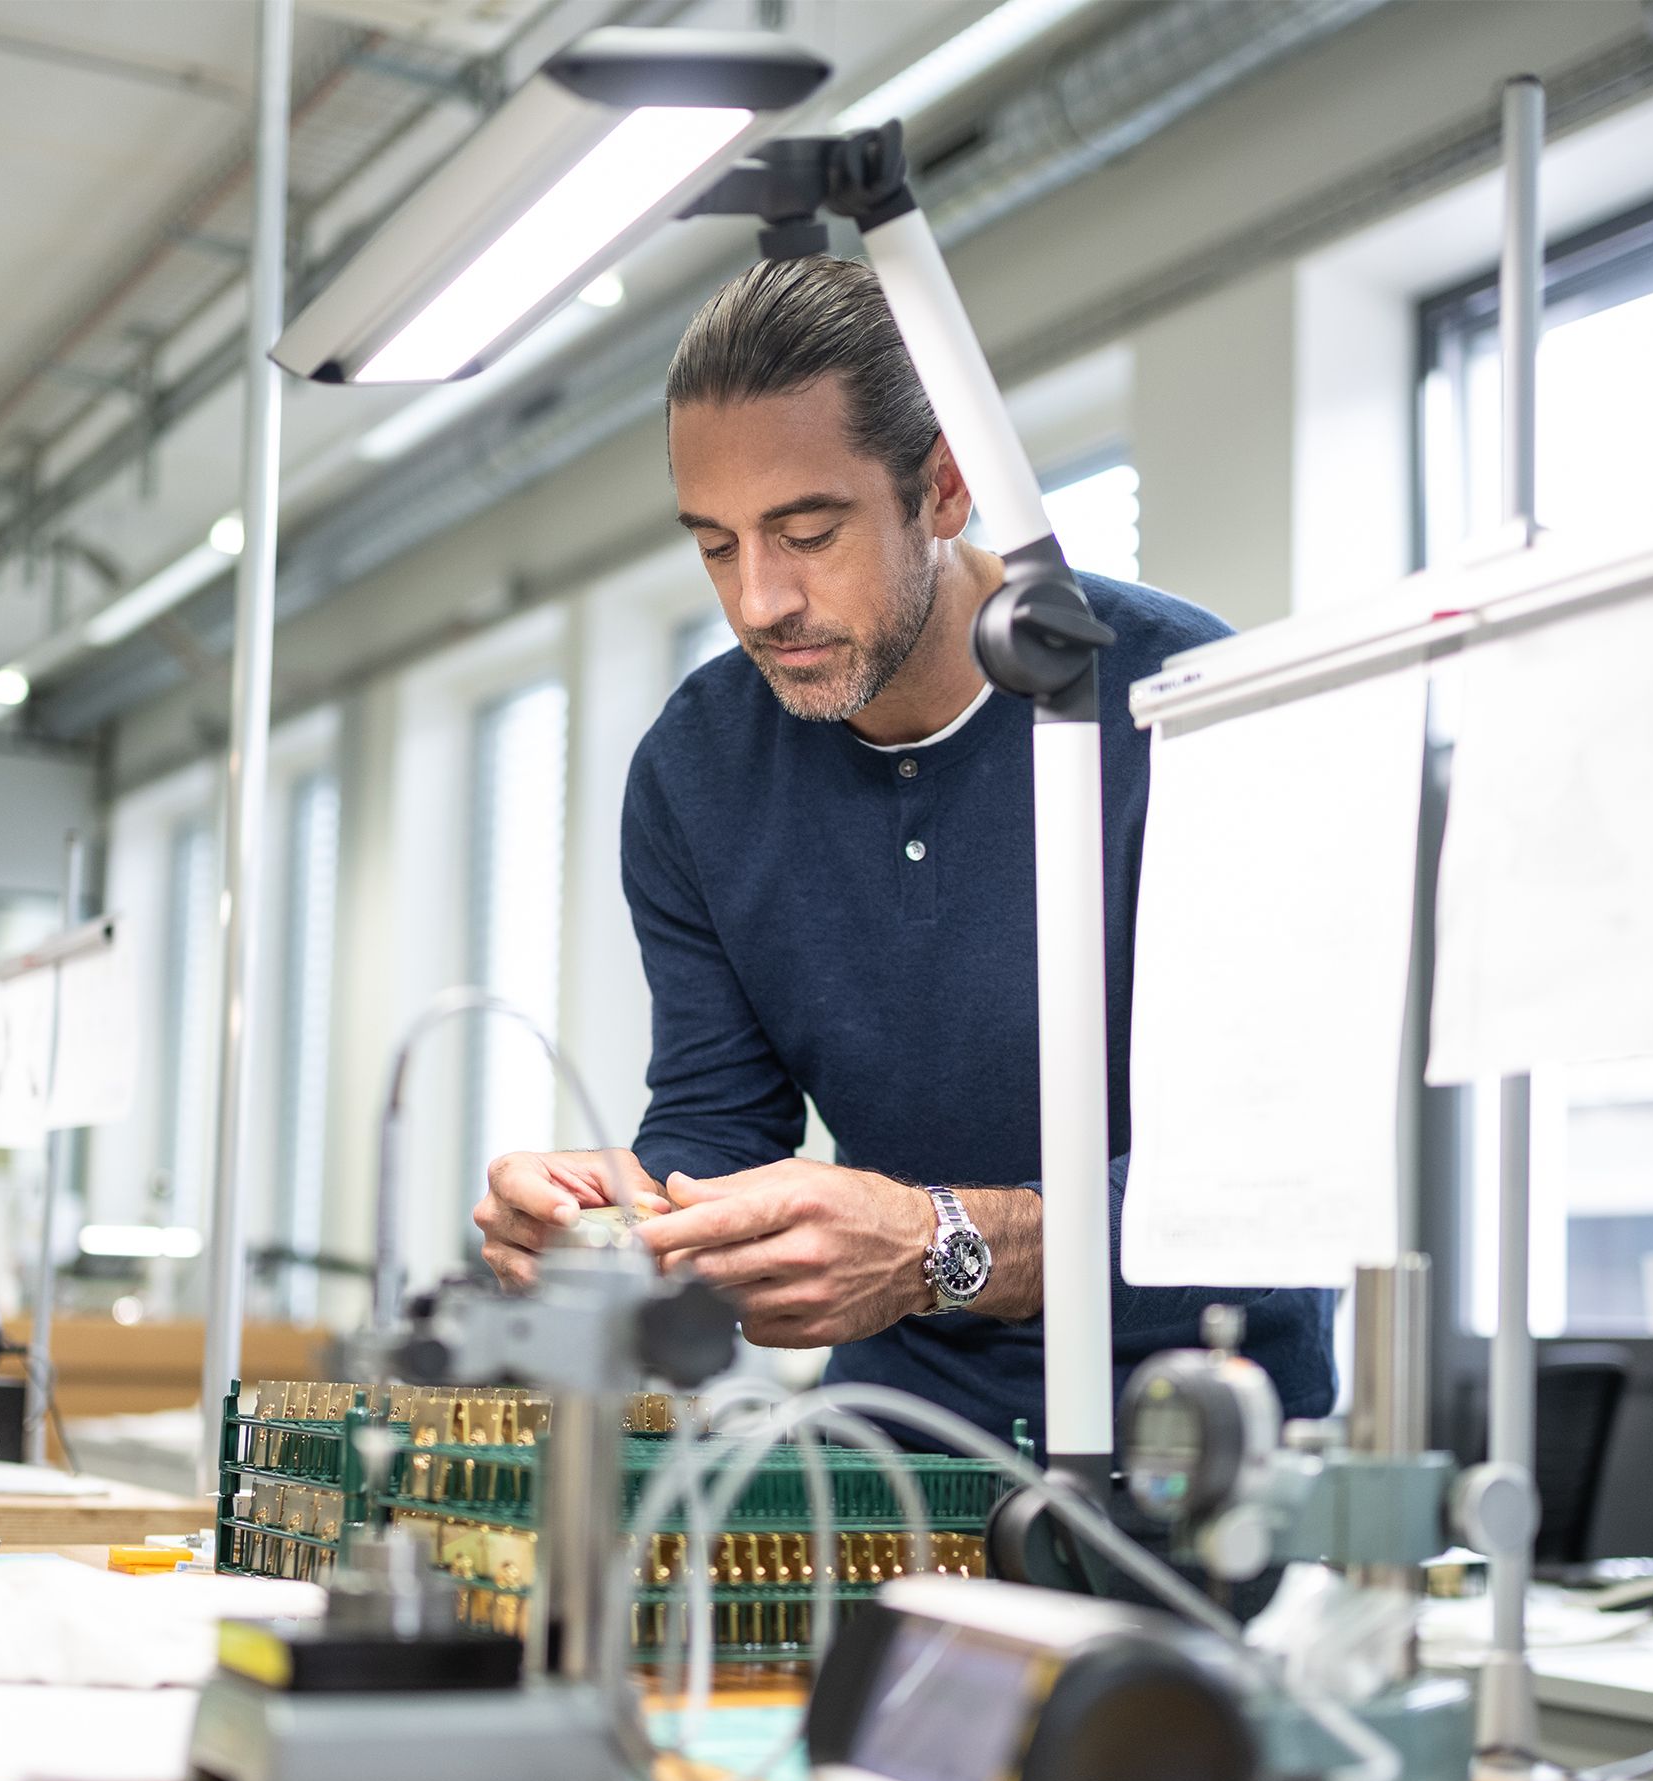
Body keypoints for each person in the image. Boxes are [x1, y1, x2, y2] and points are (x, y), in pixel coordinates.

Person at [474, 256, 1331, 1451]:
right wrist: (617, 1225)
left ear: (943, 486)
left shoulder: (1192, 706)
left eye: (807, 532)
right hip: (891, 1462)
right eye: (716, 545)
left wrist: (940, 1245)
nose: (760, 599)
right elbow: (716, 1130)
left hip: (1203, 1453)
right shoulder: (698, 772)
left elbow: (1273, 1192)